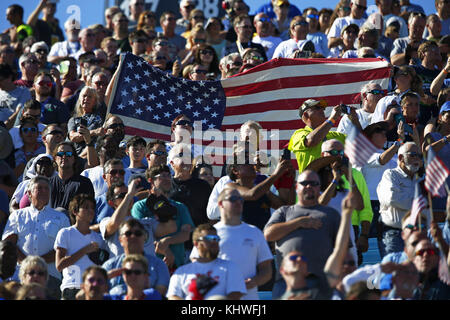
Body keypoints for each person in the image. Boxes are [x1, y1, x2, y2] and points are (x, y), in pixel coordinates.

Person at [264, 170, 342, 299]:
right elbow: (268, 234)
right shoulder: (284, 212)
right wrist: (299, 222)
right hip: (286, 282)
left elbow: (343, 248)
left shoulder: (331, 214)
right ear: (296, 186)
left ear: (319, 187)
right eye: (304, 183)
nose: (309, 186)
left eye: (313, 183)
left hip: (321, 283)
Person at [191, 187, 274, 300]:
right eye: (233, 199)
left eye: (241, 199)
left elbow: (267, 270)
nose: (238, 202)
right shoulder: (209, 233)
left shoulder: (255, 232)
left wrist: (254, 281)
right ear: (221, 204)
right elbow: (196, 263)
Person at [279, 190, 357, 300]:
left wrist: (346, 214)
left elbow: (339, 250)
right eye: (293, 257)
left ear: (307, 271)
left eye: (303, 258)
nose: (299, 259)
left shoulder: (321, 291)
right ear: (282, 270)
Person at [2, 177, 70, 299]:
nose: (44, 191)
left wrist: (36, 264)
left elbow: (64, 248)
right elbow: (9, 244)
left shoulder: (61, 218)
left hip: (51, 278)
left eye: (46, 189)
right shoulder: (17, 215)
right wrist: (27, 264)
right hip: (20, 277)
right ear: (29, 194)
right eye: (39, 188)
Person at [131, 165, 195, 271]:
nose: (167, 179)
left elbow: (186, 234)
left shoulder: (179, 207)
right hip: (148, 267)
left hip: (176, 266)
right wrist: (165, 250)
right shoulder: (140, 206)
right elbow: (141, 233)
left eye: (169, 175)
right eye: (162, 176)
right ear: (151, 180)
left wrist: (167, 241)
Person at [99, 178, 176, 260]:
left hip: (147, 270)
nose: (129, 196)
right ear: (111, 203)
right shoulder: (105, 221)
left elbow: (171, 228)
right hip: (123, 270)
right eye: (122, 195)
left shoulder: (146, 222)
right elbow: (114, 223)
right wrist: (129, 195)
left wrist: (160, 200)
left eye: (129, 194)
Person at [167, 223, 247, 300]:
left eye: (216, 239)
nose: (214, 242)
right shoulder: (182, 271)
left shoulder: (230, 267)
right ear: (196, 244)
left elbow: (235, 295)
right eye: (209, 238)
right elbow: (173, 296)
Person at [377, 142, 428, 258]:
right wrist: (418, 204)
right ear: (400, 158)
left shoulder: (421, 179)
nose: (417, 159)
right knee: (395, 272)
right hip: (394, 233)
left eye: (419, 156)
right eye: (413, 155)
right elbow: (392, 198)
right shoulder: (390, 175)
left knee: (417, 272)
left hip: (418, 233)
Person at [54, 194, 107, 300]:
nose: (90, 210)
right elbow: (59, 265)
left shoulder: (98, 238)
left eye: (92, 207)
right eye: (86, 207)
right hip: (71, 288)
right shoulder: (65, 233)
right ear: (75, 211)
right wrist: (84, 250)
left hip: (93, 289)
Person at [101, 218, 171, 297]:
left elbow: (160, 294)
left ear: (144, 238)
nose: (133, 236)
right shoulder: (110, 265)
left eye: (138, 233)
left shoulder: (158, 265)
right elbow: (100, 294)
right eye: (128, 233)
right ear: (120, 240)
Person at [288, 99, 347, 173]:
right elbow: (312, 141)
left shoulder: (334, 135)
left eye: (323, 108)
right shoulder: (298, 134)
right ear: (306, 115)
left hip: (334, 182)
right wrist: (332, 119)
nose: (322, 110)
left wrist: (354, 118)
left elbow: (360, 144)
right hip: (310, 183)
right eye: (317, 108)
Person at [168, 143, 212, 228]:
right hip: (174, 236)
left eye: (189, 156)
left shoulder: (203, 186)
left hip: (197, 236)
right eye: (181, 155)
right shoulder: (166, 184)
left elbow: (211, 215)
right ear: (172, 163)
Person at [49, 141, 95, 210]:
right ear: (55, 158)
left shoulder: (84, 183)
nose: (64, 156)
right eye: (60, 154)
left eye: (68, 154)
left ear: (74, 159)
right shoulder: (48, 183)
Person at [67, 86, 105, 155]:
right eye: (84, 96)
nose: (86, 98)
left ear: (95, 101)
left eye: (90, 97)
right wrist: (93, 132)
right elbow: (73, 137)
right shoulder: (73, 120)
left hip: (96, 154)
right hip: (78, 156)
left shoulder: (101, 115)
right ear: (79, 99)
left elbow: (108, 95)